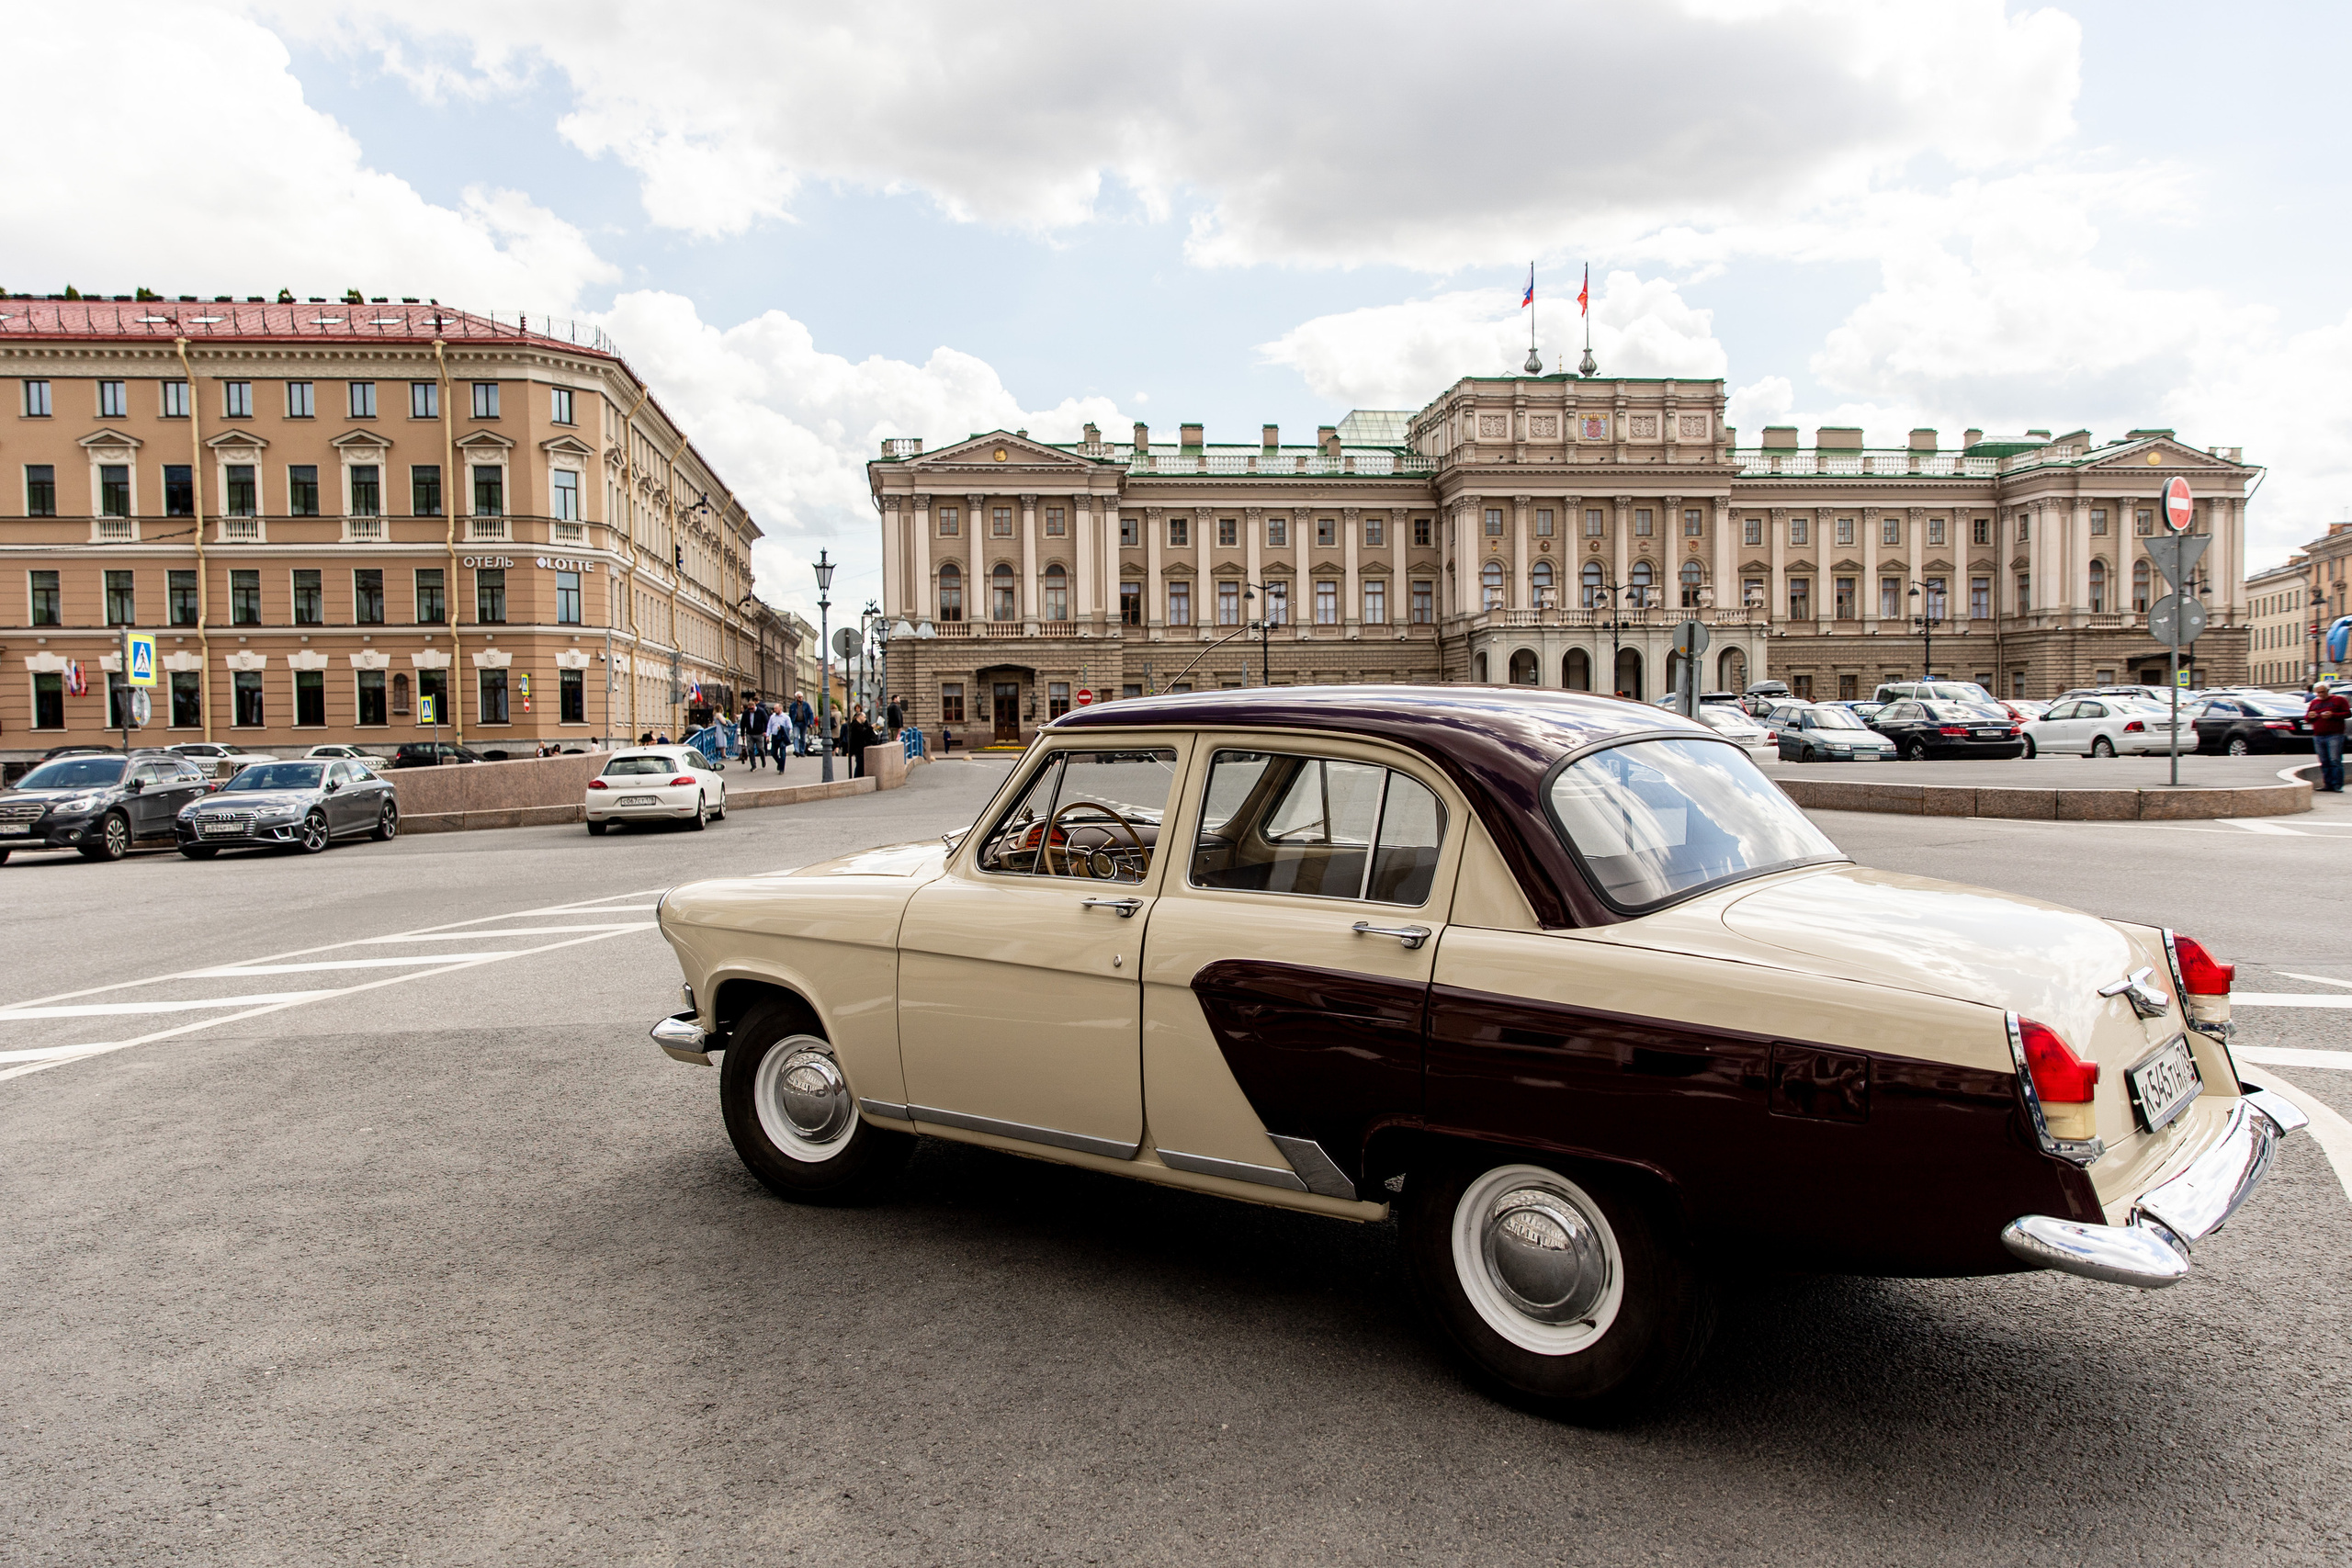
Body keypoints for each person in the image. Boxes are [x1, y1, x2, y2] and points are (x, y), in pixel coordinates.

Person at [2309, 679, 2349, 793]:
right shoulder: (2314, 702)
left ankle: (2337, 785)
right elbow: (2307, 718)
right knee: (2324, 761)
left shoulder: (2339, 700)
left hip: (2335, 735)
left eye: (2322, 692)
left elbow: (2347, 713)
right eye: (2318, 692)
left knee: (2334, 760)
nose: (2320, 694)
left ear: (2327, 690)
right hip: (2318, 735)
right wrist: (2310, 716)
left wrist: (2333, 715)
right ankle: (2327, 784)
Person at [789, 692, 815, 756]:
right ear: (796, 698)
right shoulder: (792, 706)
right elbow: (790, 715)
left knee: (803, 738)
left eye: (801, 697)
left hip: (804, 723)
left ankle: (802, 751)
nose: (801, 698)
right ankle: (796, 750)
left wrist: (811, 723)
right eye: (799, 697)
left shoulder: (806, 705)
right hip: (796, 723)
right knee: (795, 736)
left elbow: (810, 714)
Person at [767, 705, 789, 773]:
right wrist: (767, 736)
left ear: (780, 708)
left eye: (776, 708)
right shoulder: (772, 717)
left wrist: (782, 728)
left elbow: (789, 727)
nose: (774, 710)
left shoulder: (786, 717)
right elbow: (769, 726)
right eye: (774, 708)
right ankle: (780, 763)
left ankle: (782, 769)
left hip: (782, 737)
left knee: (782, 753)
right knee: (773, 752)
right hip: (775, 736)